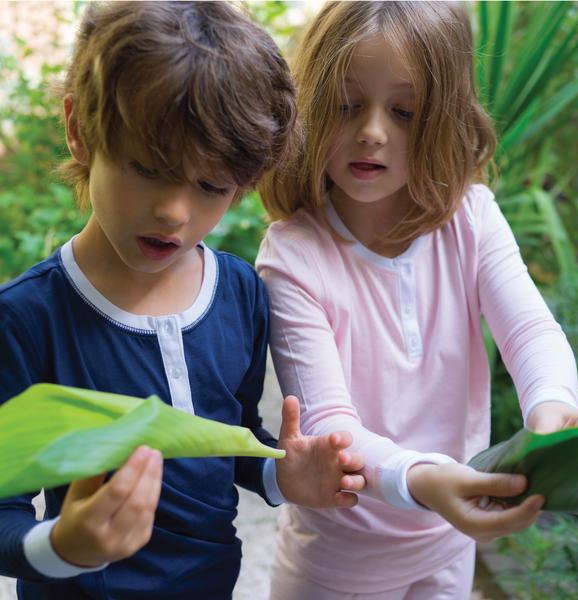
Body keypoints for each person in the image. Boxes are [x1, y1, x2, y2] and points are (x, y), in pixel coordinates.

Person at [0, 2, 365, 599]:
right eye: (148, 167)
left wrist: (282, 472)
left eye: (211, 186)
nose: (174, 211)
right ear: (78, 128)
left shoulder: (240, 294)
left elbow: (231, 437)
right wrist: (63, 546)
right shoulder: (26, 318)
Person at [256, 2, 578, 599]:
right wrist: (426, 480)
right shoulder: (293, 256)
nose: (371, 130)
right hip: (338, 569)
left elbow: (531, 333)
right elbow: (331, 428)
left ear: (443, 118)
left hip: (446, 546)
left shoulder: (473, 219)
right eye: (346, 104)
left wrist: (551, 409)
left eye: (405, 111)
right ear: (309, 109)